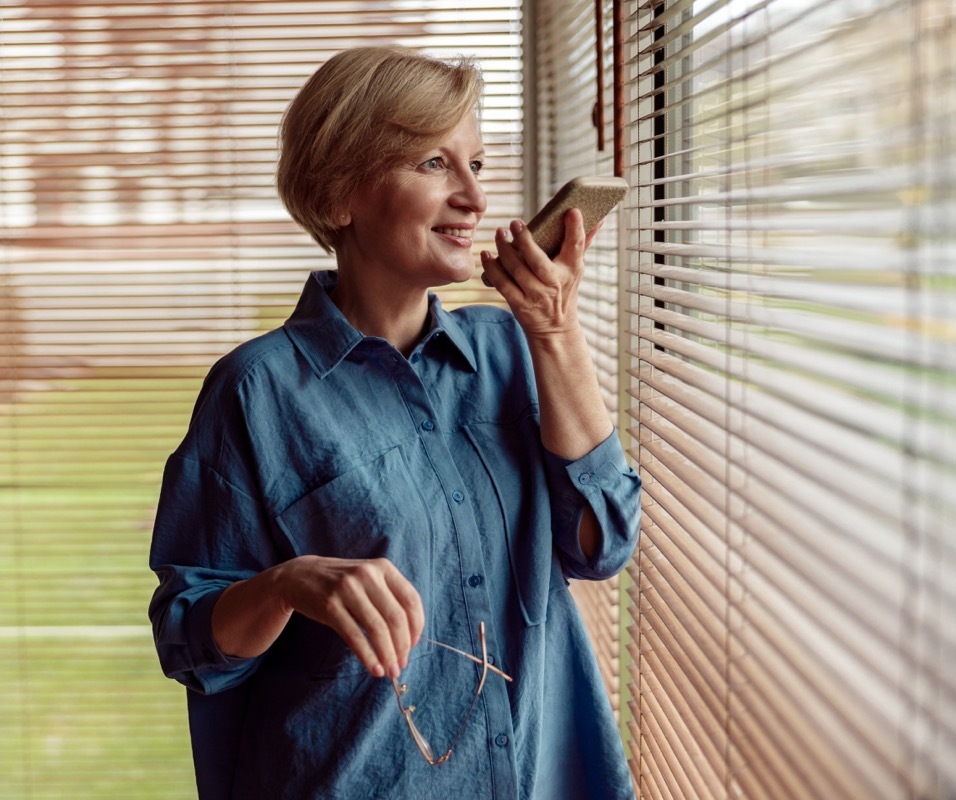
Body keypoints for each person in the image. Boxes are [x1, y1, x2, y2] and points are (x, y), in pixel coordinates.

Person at [148, 45, 641, 799]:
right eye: (435, 165)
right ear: (342, 193)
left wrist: (556, 332)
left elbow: (601, 542)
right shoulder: (255, 393)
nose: (475, 198)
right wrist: (289, 584)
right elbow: (190, 640)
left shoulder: (512, 349)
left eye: (477, 163)